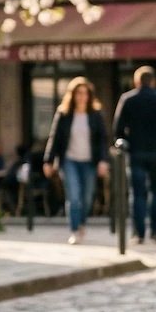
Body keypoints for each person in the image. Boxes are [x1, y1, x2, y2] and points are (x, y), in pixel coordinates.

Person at [112, 66, 156, 245]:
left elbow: (117, 130)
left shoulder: (128, 99)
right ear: (153, 81)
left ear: (136, 82)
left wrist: (125, 141)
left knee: (137, 194)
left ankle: (139, 233)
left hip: (135, 153)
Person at [42, 77, 110, 245]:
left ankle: (81, 224)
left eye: (85, 93)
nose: (82, 97)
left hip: (89, 162)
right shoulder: (64, 114)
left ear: (89, 95)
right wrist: (48, 161)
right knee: (74, 197)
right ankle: (74, 230)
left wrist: (103, 160)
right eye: (78, 93)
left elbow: (103, 139)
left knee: (87, 198)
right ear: (72, 95)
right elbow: (54, 138)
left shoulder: (96, 114)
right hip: (69, 160)